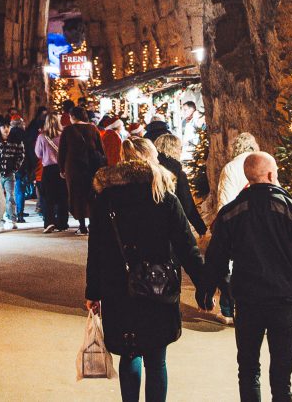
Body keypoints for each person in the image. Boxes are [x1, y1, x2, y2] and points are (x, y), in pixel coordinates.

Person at [199, 152, 292, 402]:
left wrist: (206, 291)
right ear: (270, 175)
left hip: (247, 300)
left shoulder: (231, 213)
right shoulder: (291, 210)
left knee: (248, 370)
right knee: (281, 377)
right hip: (284, 301)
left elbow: (216, 258)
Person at [85, 138, 206, 402]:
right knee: (156, 358)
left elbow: (96, 248)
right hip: (158, 285)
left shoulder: (106, 198)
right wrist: (204, 285)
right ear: (151, 158)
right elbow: (187, 247)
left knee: (130, 353)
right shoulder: (163, 196)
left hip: (118, 287)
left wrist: (92, 291)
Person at [203, 131, 262, 324]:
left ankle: (228, 309)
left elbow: (225, 201)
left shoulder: (230, 168)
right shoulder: (262, 163)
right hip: (258, 223)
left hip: (236, 223)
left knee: (227, 267)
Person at [58, 106, 105, 235]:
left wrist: (62, 168)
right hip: (91, 167)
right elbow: (101, 149)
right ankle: (93, 223)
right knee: (91, 194)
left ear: (72, 117)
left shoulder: (67, 130)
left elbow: (62, 151)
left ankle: (82, 225)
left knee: (77, 195)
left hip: (73, 168)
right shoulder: (93, 129)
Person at [154, 134, 206, 237]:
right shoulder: (177, 173)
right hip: (172, 223)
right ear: (174, 149)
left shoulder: (153, 169)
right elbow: (187, 204)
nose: (181, 151)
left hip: (153, 223)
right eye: (179, 148)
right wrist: (201, 228)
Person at [35, 112, 68, 232]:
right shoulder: (64, 135)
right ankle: (62, 223)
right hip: (61, 168)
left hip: (48, 169)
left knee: (48, 197)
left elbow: (38, 153)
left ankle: (49, 222)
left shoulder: (41, 137)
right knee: (63, 196)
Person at [0, 126, 27, 228]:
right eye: (3, 127)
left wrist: (15, 167)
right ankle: (0, 219)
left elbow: (21, 155)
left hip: (10, 173)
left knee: (10, 196)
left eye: (7, 127)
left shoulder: (16, 141)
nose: (5, 129)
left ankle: (12, 219)